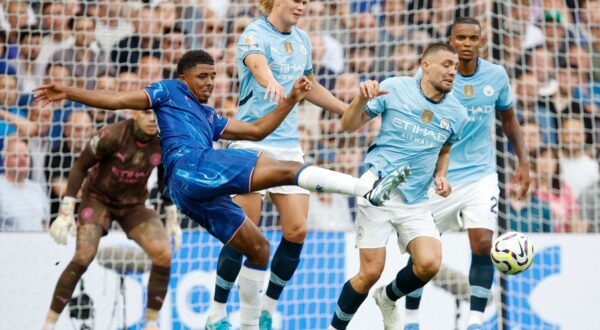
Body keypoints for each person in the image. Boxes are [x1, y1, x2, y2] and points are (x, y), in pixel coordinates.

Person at [33, 49, 407, 330]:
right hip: (191, 167)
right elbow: (116, 101)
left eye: (214, 76)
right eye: (203, 76)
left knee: (259, 249)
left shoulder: (209, 117)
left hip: (193, 190)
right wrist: (67, 91)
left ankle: (238, 324)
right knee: (287, 170)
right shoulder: (167, 92)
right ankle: (364, 189)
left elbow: (258, 130)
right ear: (183, 78)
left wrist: (292, 100)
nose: (211, 82)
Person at [208, 0, 351, 328]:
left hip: (289, 147)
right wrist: (271, 81)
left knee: (298, 229)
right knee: (245, 233)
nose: (301, 5)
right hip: (251, 141)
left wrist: (344, 108)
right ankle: (216, 312)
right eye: (296, 0)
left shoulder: (303, 39)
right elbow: (257, 65)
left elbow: (308, 86)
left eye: (305, 1)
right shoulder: (252, 34)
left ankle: (267, 309)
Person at [328, 42, 468, 330]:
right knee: (369, 273)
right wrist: (359, 99)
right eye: (446, 64)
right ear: (425, 66)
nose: (452, 71)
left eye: (455, 66)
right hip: (378, 189)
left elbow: (444, 151)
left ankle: (388, 297)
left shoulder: (457, 114)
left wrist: (441, 175)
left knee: (429, 264)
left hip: (416, 199)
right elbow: (348, 126)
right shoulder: (394, 88)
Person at [402, 18, 531, 330]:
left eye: (473, 38)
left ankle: (475, 321)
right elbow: (412, 115)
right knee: (424, 247)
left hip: (480, 174)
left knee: (483, 243)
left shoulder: (496, 76)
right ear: (451, 40)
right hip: (439, 176)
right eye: (461, 38)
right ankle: (410, 319)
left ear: (482, 41)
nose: (467, 43)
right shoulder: (433, 73)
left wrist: (524, 163)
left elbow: (509, 121)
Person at [41, 111, 182, 330]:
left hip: (133, 205)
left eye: (157, 113)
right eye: (146, 113)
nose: (153, 119)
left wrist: (172, 216)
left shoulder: (164, 141)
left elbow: (165, 180)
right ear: (135, 113)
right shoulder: (112, 135)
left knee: (164, 253)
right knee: (83, 256)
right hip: (98, 200)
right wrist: (66, 209)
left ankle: (151, 324)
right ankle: (48, 324)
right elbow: (80, 166)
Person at [0, 138, 49, 231]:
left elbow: (45, 224)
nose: (22, 159)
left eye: (26, 156)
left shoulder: (37, 189)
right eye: (16, 156)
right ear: (5, 160)